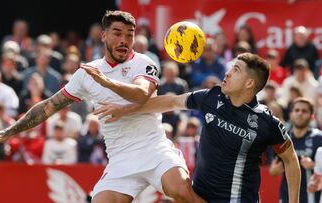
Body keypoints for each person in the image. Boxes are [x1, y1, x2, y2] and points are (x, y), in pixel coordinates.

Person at [0, 10, 205, 203]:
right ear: (103, 36)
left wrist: (105, 81)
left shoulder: (144, 63)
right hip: (120, 158)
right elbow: (49, 106)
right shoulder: (86, 73)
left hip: (154, 148)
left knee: (181, 192)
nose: (124, 40)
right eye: (117, 33)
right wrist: (9, 131)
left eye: (129, 35)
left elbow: (142, 94)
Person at [91, 52, 301, 202]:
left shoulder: (266, 122)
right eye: (230, 67)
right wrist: (125, 109)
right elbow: (171, 102)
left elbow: (291, 161)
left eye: (235, 70)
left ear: (249, 84)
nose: (227, 73)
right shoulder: (212, 97)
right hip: (198, 197)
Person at [269, 98, 322, 203]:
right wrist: (274, 170)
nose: (300, 113)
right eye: (296, 110)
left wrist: (314, 165)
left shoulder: (319, 138)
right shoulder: (281, 137)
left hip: (311, 197)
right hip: (286, 197)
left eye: (304, 111)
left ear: (312, 116)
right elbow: (272, 169)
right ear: (291, 114)